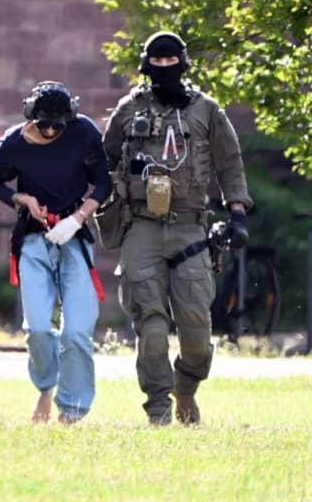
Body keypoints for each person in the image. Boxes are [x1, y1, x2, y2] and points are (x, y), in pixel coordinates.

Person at [101, 31, 252, 426]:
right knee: (150, 327)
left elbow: (229, 163)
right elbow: (102, 156)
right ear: (145, 65)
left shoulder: (206, 110)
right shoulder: (129, 109)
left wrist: (237, 212)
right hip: (142, 227)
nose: (163, 68)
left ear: (182, 64)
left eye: (171, 62)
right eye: (157, 62)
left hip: (191, 228)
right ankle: (159, 409)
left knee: (197, 334)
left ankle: (185, 389)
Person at [0, 81, 112, 424]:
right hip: (33, 239)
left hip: (74, 237)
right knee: (38, 327)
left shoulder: (83, 133)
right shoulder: (14, 142)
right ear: (32, 117)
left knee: (77, 331)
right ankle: (45, 387)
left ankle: (71, 410)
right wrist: (22, 200)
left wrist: (78, 218)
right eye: (45, 124)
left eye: (60, 124)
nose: (53, 130)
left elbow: (103, 183)